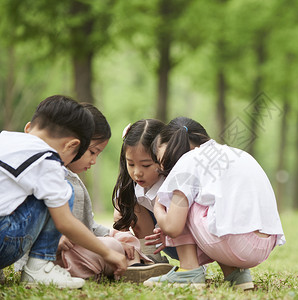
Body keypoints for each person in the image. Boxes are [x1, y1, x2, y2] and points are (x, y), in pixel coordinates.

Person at [143, 116, 285, 290]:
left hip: (236, 244)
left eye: (158, 157)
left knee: (179, 200)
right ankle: (236, 274)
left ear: (170, 143)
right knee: (213, 204)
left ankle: (188, 271)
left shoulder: (188, 160)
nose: (159, 165)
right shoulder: (235, 153)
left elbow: (173, 227)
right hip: (264, 245)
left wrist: (159, 206)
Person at [0, 95, 127, 289]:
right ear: (72, 145)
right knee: (63, 190)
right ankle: (39, 267)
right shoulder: (48, 161)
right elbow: (65, 222)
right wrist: (108, 253)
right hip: (4, 241)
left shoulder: (5, 138)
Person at [53, 104, 157, 282]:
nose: (93, 161)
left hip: (82, 245)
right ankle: (122, 266)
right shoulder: (52, 178)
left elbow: (90, 227)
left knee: (123, 239)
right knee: (112, 246)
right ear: (72, 144)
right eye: (92, 152)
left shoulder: (76, 181)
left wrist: (116, 235)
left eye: (97, 155)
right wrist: (54, 237)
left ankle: (135, 267)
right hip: (60, 251)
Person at [112, 119, 175, 278]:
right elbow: (119, 224)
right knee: (128, 202)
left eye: (146, 165)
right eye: (131, 164)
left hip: (184, 240)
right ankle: (151, 257)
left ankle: (193, 264)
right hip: (156, 242)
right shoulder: (130, 186)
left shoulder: (175, 182)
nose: (137, 173)